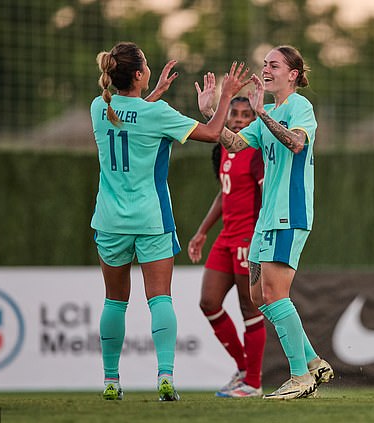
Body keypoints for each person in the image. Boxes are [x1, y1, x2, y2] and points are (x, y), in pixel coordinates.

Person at [90, 41, 250, 401]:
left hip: (110, 220)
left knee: (114, 302)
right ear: (139, 74)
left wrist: (153, 95)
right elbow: (211, 135)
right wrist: (225, 97)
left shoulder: (100, 106)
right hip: (151, 220)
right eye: (145, 64)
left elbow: (127, 121)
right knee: (160, 298)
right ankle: (165, 377)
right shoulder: (157, 113)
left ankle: (111, 382)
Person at [202, 45, 334, 399]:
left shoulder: (299, 107)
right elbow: (232, 144)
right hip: (267, 219)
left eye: (274, 65)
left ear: (292, 74)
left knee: (276, 293)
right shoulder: (269, 112)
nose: (266, 70)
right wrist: (213, 111)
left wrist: (262, 113)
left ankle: (300, 378)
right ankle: (312, 362)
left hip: (289, 213)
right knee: (259, 296)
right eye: (265, 65)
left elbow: (295, 143)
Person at [187, 94, 266, 398]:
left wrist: (260, 236)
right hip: (226, 236)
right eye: (234, 113)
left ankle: (254, 383)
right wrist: (202, 232)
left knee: (249, 306)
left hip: (248, 236)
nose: (239, 119)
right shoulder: (223, 149)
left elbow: (266, 192)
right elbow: (224, 194)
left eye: (246, 115)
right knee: (208, 301)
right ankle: (244, 368)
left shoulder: (255, 151)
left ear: (253, 120)